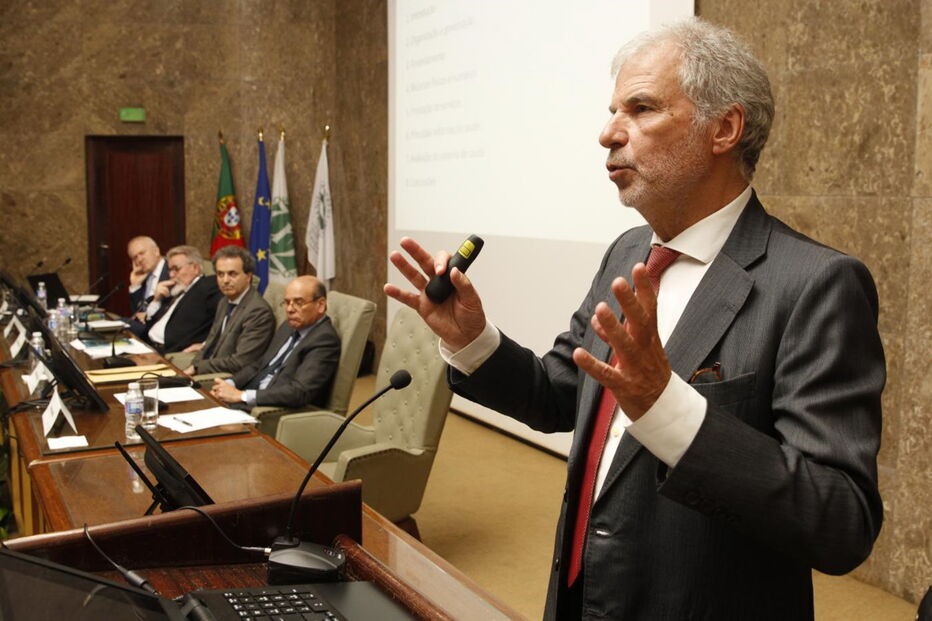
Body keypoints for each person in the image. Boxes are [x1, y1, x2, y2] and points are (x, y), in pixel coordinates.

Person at [385, 18, 884, 621]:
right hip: (584, 596)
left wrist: (668, 408)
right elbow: (561, 395)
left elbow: (840, 521)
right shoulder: (628, 252)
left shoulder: (815, 284)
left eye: (640, 108)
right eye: (612, 110)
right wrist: (473, 343)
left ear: (724, 128)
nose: (606, 134)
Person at [211, 275, 340, 410]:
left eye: (299, 302)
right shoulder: (289, 326)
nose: (290, 309)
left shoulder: (324, 340)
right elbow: (260, 364)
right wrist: (230, 384)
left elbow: (299, 392)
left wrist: (242, 395)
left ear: (320, 305)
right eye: (287, 302)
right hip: (247, 399)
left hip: (269, 411)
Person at [181, 246, 276, 376]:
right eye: (220, 274)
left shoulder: (258, 312)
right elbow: (210, 342)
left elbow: (240, 362)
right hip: (212, 369)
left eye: (232, 274)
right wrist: (194, 364)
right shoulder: (224, 301)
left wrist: (197, 367)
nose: (225, 280)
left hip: (230, 381)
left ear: (248, 277)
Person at [144, 245, 221, 354]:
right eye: (170, 270)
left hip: (169, 352)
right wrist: (156, 300)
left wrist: (206, 344)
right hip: (147, 344)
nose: (171, 274)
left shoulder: (208, 285)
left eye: (176, 269)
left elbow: (226, 317)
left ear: (195, 268)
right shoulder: (177, 290)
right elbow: (150, 321)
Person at [126, 236, 169, 320]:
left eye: (142, 253)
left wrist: (146, 316)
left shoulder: (172, 270)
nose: (139, 260)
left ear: (156, 251)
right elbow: (137, 313)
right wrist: (135, 286)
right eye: (135, 257)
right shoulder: (143, 276)